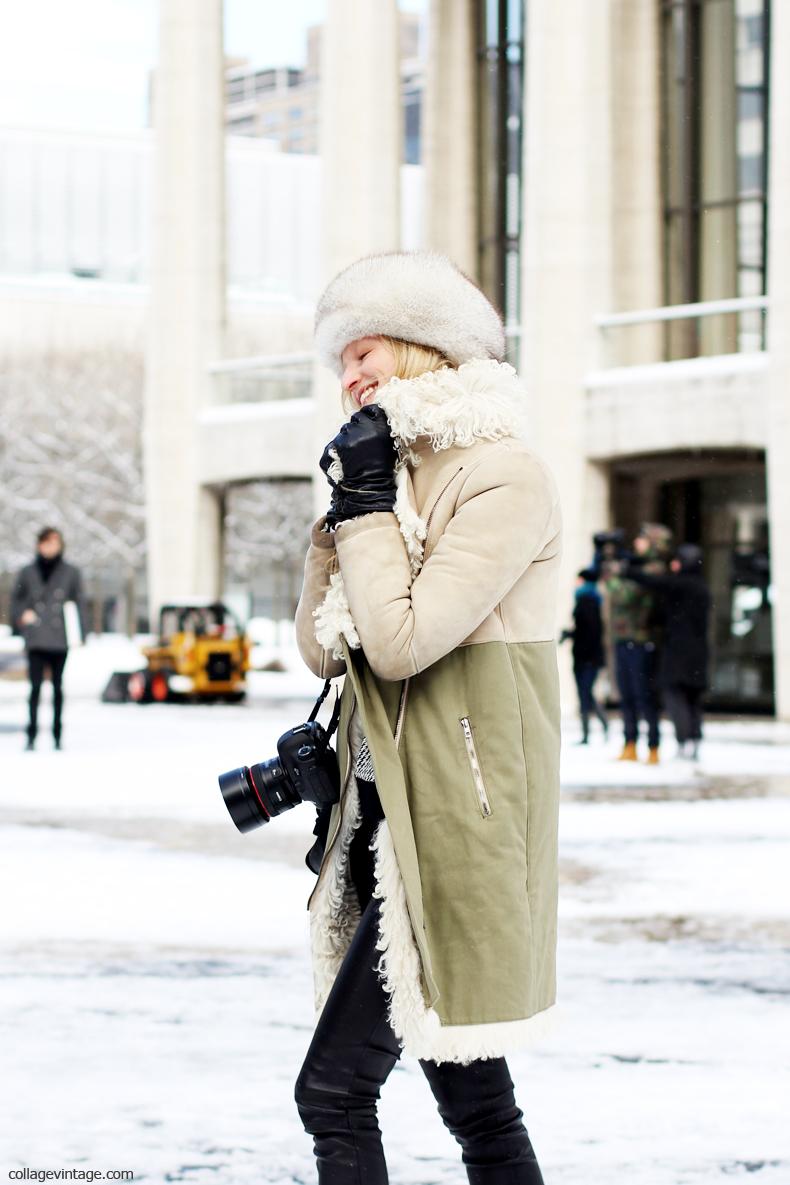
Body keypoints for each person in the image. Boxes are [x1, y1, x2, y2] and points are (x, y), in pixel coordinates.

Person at [293, 251, 563, 1184]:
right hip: (383, 823)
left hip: (453, 827)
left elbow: (403, 643)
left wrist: (366, 509)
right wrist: (342, 521)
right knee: (478, 1103)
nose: (350, 377)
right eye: (340, 365)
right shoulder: (389, 479)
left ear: (420, 347)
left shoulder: (503, 476)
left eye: (363, 353)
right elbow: (326, 653)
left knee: (333, 1092)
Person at [624, 543, 711, 759]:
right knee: (692, 698)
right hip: (699, 652)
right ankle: (694, 740)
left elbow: (654, 582)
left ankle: (684, 740)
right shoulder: (702, 587)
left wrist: (629, 570)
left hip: (678, 651)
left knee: (674, 695)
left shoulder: (680, 585)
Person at [595, 523, 672, 765]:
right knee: (626, 694)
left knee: (644, 695)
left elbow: (622, 595)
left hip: (642, 640)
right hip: (624, 639)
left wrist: (617, 572)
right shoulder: (634, 566)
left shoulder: (654, 569)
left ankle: (653, 746)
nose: (637, 543)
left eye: (642, 539)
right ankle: (630, 743)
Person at [10, 527, 87, 751]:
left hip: (60, 637)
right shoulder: (28, 571)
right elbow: (16, 600)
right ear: (39, 544)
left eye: (55, 542)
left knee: (57, 688)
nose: (51, 547)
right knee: (34, 688)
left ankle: (57, 734)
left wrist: (81, 633)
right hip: (36, 637)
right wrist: (22, 616)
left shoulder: (70, 572)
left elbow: (80, 603)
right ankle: (31, 734)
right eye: (47, 542)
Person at [560, 567, 609, 744]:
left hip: (586, 657)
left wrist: (571, 635)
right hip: (587, 656)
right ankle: (597, 727)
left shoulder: (587, 602)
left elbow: (589, 632)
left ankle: (591, 730)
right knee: (585, 693)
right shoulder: (589, 600)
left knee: (585, 693)